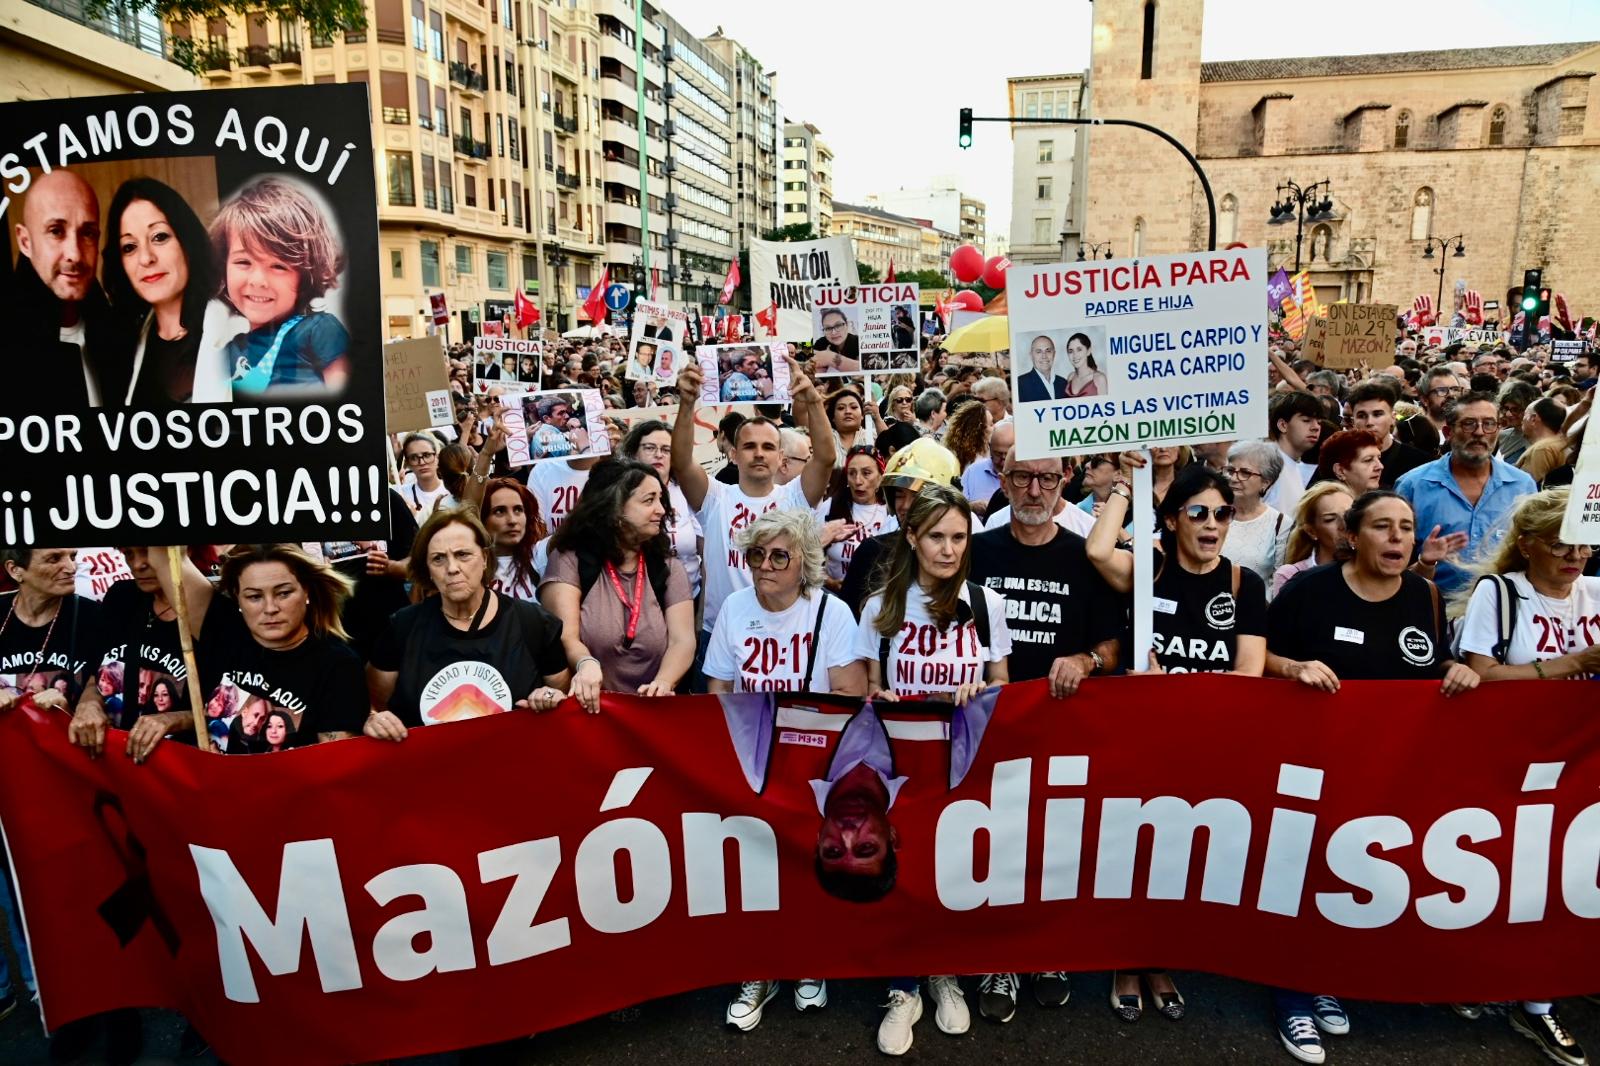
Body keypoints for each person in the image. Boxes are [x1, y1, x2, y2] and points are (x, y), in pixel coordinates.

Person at [671, 353, 834, 683]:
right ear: (733, 454)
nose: (759, 453)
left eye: (767, 447)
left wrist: (812, 401)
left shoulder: (794, 498)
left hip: (786, 632)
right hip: (720, 633)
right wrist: (686, 404)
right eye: (749, 446)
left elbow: (827, 457)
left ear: (781, 458)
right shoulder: (716, 497)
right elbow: (682, 462)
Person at [364, 508, 571, 739]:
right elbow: (374, 704)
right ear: (428, 570)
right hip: (429, 770)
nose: (452, 568)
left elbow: (562, 699)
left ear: (484, 559)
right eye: (438, 558)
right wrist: (373, 719)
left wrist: (548, 698)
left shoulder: (533, 623)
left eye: (463, 554)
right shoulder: (402, 628)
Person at [539, 459, 696, 708]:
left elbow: (683, 640)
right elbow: (566, 637)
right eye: (648, 500)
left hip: (653, 713)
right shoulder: (570, 561)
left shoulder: (668, 567)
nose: (661, 510)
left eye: (660, 500)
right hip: (590, 713)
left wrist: (663, 684)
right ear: (614, 508)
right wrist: (585, 663)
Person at [195, 544, 367, 752]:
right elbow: (164, 559)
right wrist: (177, 718)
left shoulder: (339, 664)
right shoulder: (225, 634)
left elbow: (333, 762)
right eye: (254, 597)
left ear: (307, 592)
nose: (270, 608)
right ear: (237, 598)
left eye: (284, 593)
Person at [855, 483, 1011, 702]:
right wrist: (879, 698)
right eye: (936, 537)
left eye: (958, 537)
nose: (948, 551)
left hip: (964, 735)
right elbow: (871, 686)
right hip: (901, 734)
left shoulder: (987, 603)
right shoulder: (879, 606)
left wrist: (983, 692)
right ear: (912, 537)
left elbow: (1000, 680)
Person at [68, 546, 213, 759]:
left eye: (147, 552)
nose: (137, 564)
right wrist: (89, 702)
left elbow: (227, 713)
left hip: (177, 765)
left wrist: (173, 719)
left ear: (184, 551)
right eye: (128, 554)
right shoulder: (121, 597)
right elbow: (95, 671)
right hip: (112, 758)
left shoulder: (216, 613)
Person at [211, 177, 349, 395]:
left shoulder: (318, 331)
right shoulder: (228, 352)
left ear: (305, 276)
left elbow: (349, 400)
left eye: (278, 266)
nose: (257, 280)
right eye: (243, 262)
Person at [102, 177, 232, 405]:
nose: (146, 258)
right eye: (129, 247)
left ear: (186, 241)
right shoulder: (127, 343)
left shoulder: (235, 331)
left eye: (159, 237)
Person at [705, 509, 865, 695]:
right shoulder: (733, 606)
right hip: (747, 723)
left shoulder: (833, 612)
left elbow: (851, 694)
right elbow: (720, 690)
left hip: (810, 723)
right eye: (757, 554)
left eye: (779, 557)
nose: (764, 566)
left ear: (805, 563)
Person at [8, 168, 128, 411]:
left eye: (87, 233)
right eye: (56, 231)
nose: (74, 253)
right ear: (25, 242)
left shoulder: (119, 337)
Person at [1396, 390, 1538, 595]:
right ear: (1448, 432)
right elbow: (1393, 567)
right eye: (1469, 424)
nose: (1479, 432)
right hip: (1434, 611)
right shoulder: (1414, 486)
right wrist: (1425, 562)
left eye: (1489, 424)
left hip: (1504, 612)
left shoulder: (1522, 485)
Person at [621, 420, 705, 598]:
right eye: (650, 448)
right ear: (634, 453)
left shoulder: (688, 492)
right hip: (638, 598)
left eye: (666, 450)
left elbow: (707, 554)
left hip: (690, 595)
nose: (658, 455)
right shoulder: (620, 492)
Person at [817, 445, 897, 590]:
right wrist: (829, 582)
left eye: (866, 473)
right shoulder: (831, 507)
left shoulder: (891, 513)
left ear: (880, 478)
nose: (858, 481)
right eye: (852, 473)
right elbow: (808, 554)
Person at [1271, 483, 1355, 598]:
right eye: (1330, 519)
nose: (1344, 525)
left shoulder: (1373, 566)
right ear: (1311, 531)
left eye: (1349, 515)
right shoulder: (1290, 575)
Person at [1222, 441, 1287, 583]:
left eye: (1245, 472)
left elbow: (1278, 580)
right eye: (1231, 471)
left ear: (1266, 482)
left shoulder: (1281, 523)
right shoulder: (1214, 513)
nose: (1234, 478)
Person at [1346, 379, 1428, 487]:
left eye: (1377, 414)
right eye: (1361, 416)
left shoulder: (1419, 461)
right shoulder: (1340, 458)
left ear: (1393, 418)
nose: (1369, 422)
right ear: (1353, 421)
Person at [482, 478, 547, 600]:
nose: (512, 520)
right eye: (499, 511)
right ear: (482, 519)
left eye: (518, 510)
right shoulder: (470, 565)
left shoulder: (539, 556)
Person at [1264, 391, 1323, 515]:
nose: (1316, 427)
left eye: (1319, 422)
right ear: (1283, 425)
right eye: (1306, 420)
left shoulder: (1294, 465)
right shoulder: (1265, 463)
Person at [1394, 366, 1465, 458]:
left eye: (1455, 389)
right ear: (1424, 400)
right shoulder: (1410, 429)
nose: (1451, 394)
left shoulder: (1472, 428)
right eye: (1442, 390)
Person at [399, 432, 456, 521]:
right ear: (408, 463)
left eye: (427, 455)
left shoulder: (453, 492)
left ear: (437, 457)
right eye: (414, 457)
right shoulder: (401, 494)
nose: (422, 462)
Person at [1310, 430, 1384, 496]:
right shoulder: (1331, 509)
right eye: (1368, 460)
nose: (1380, 466)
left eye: (1379, 458)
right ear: (1340, 471)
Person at [961, 420, 1011, 518]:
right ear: (989, 447)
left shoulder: (1026, 474)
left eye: (1008, 454)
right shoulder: (973, 472)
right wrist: (972, 507)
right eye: (998, 454)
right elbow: (956, 507)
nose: (1003, 459)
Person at [1518, 397, 1569, 485]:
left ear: (1533, 419)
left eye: (1525, 414)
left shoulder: (1542, 449)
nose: (1522, 420)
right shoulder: (1561, 442)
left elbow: (1529, 488)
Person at [826, 385, 884, 461]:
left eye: (853, 407)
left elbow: (889, 446)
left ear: (862, 415)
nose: (848, 412)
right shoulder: (825, 439)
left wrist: (877, 417)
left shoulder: (872, 436)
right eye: (841, 408)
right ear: (833, 417)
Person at [1493, 379, 1541, 465]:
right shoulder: (1501, 436)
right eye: (1506, 408)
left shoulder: (1542, 440)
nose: (1508, 414)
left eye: (1515, 409)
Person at [943, 400, 993, 482]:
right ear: (980, 430)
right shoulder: (960, 460)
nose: (995, 427)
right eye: (991, 424)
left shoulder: (992, 452)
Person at [1017, 334, 1069, 402]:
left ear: (1054, 354)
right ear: (1031, 355)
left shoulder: (1063, 383)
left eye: (1048, 351)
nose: (1044, 356)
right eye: (1039, 352)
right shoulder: (1020, 384)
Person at [812, 307, 862, 372]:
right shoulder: (820, 343)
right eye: (828, 328)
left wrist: (829, 357)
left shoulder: (858, 341)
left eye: (838, 325)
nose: (833, 332)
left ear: (847, 325)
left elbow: (867, 367)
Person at [1063, 331, 1108, 397]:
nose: (1075, 355)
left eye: (1079, 349)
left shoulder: (1099, 379)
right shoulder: (1071, 377)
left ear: (1088, 351)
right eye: (1071, 351)